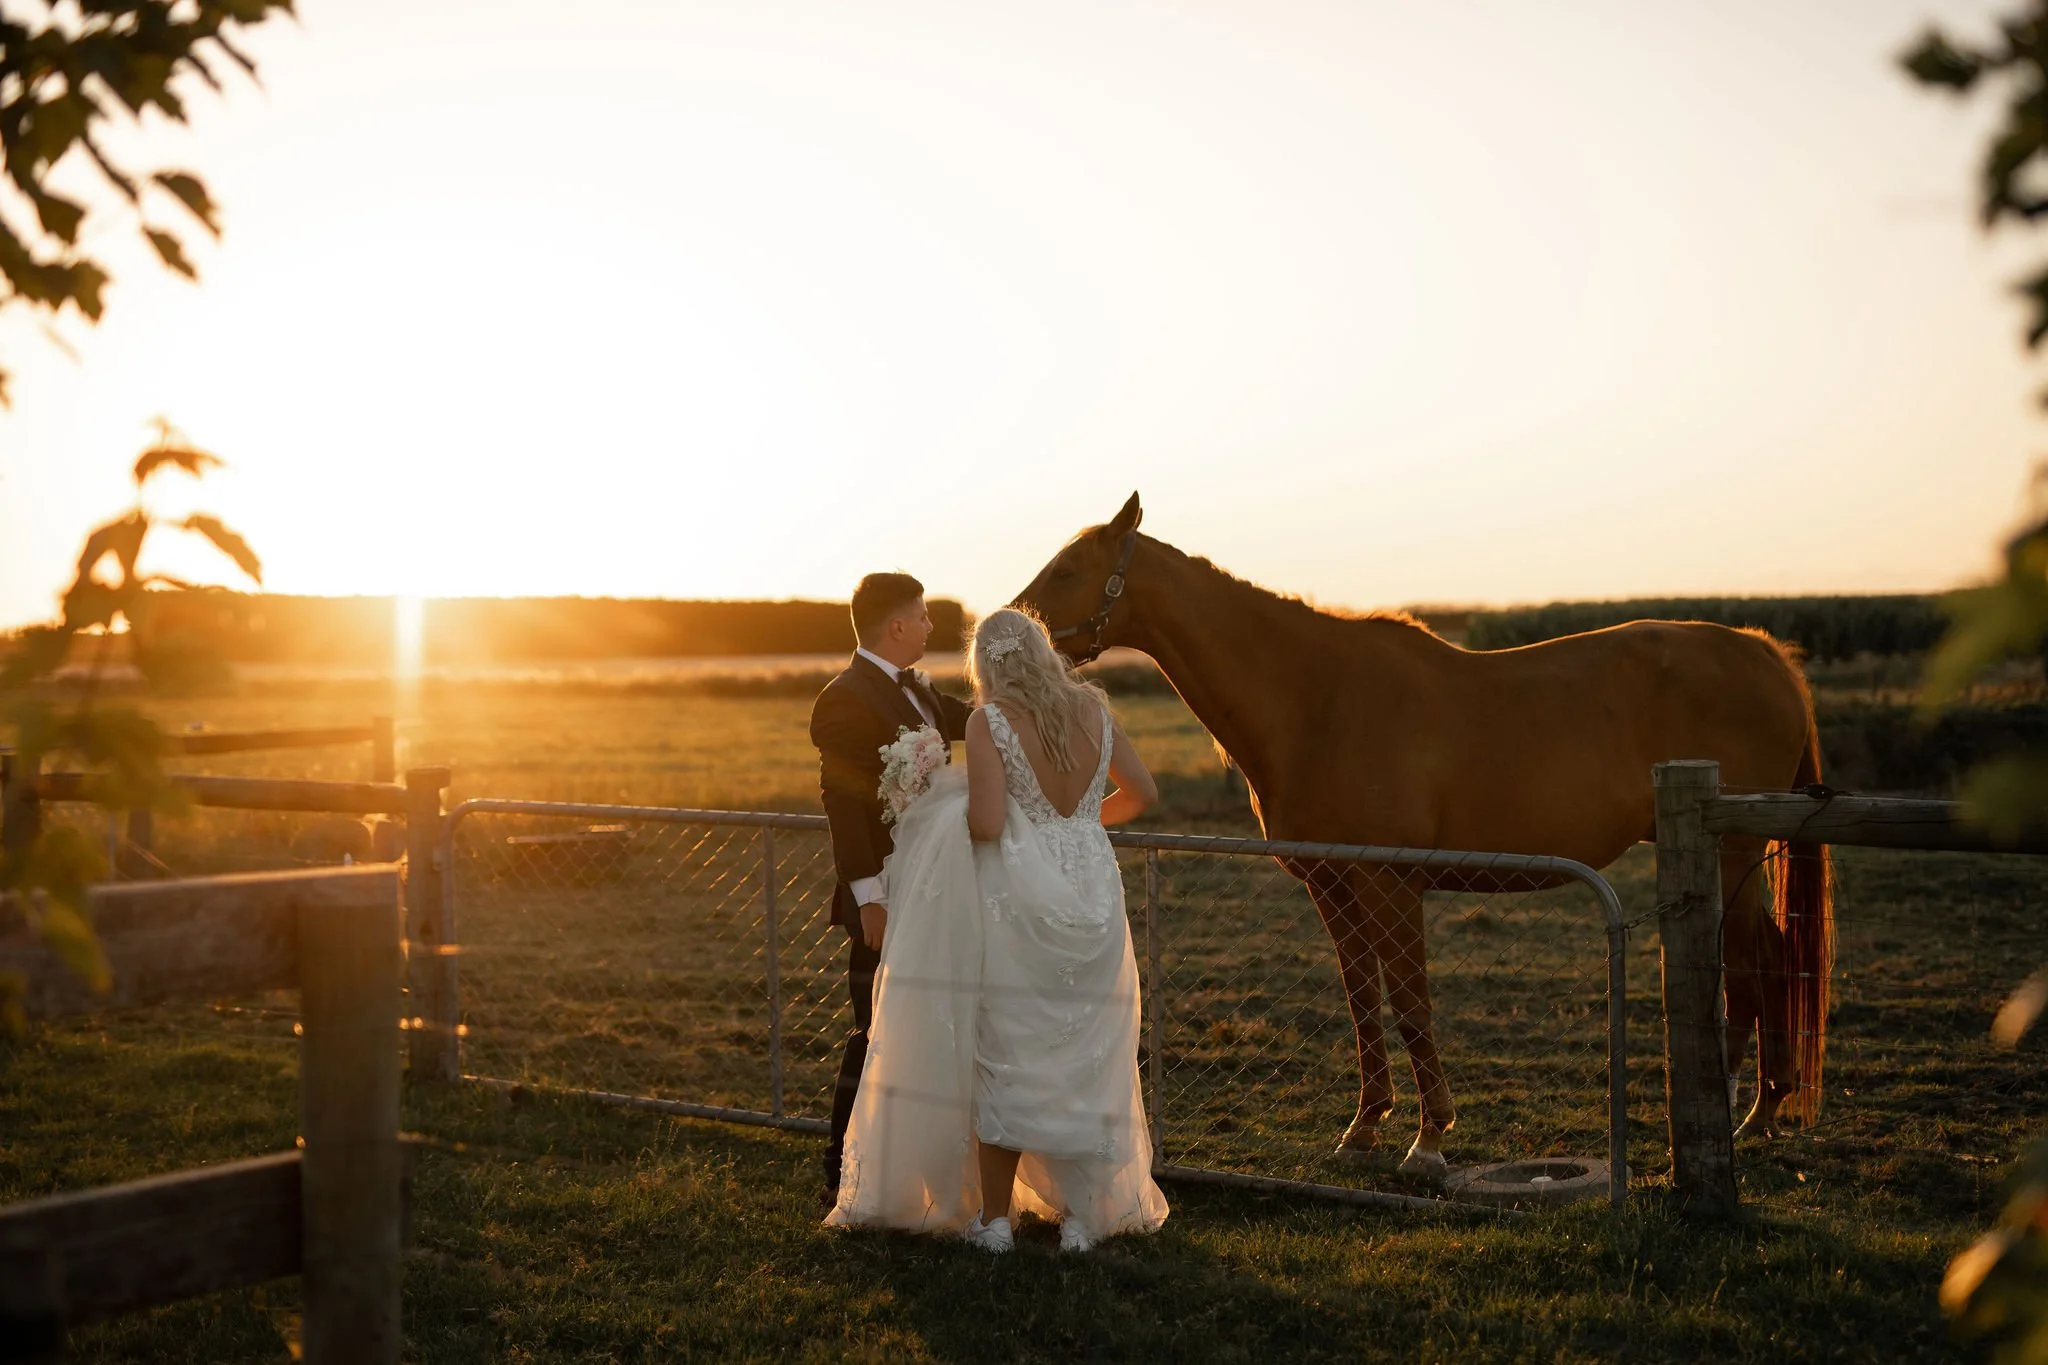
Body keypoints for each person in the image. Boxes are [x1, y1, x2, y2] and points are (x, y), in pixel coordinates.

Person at [824, 607, 1170, 1253]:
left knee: (1006, 1048)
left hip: (1019, 897)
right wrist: (1077, 825)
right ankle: (1082, 1216)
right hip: (1091, 891)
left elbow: (986, 825)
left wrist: (938, 812)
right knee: (1085, 1049)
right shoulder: (1094, 710)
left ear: (985, 664)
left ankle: (996, 1220)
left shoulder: (991, 721)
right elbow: (1142, 792)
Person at [809, 573, 973, 1209]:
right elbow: (843, 802)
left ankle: (923, 1166)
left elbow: (980, 722)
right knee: (874, 1029)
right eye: (924, 616)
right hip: (884, 893)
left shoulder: (920, 691)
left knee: (926, 1026)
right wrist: (869, 897)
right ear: (897, 625)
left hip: (932, 884)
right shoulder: (844, 698)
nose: (931, 626)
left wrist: (1040, 700)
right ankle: (841, 1171)